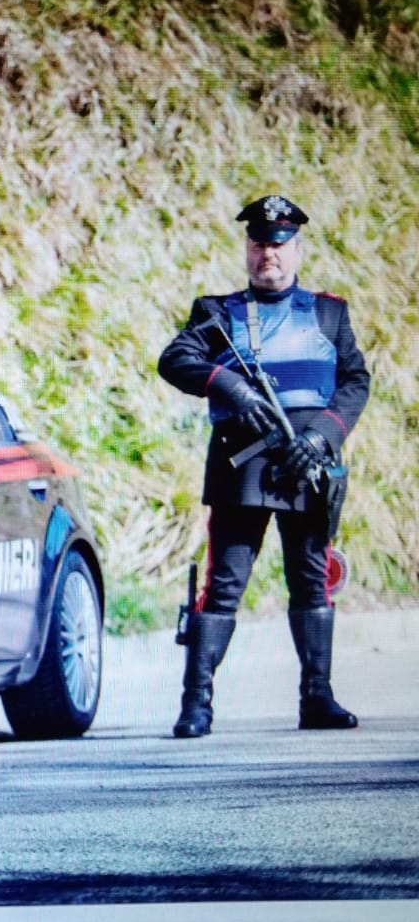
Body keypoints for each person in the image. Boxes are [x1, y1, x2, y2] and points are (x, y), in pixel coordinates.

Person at [157, 194, 369, 739]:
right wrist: (228, 384)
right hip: (241, 464)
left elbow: (353, 383)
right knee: (223, 585)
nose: (267, 254)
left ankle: (317, 698)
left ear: (296, 249)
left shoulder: (328, 312)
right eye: (258, 243)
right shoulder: (217, 313)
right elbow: (175, 358)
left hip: (308, 466)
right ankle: (196, 703)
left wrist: (322, 437)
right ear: (247, 248)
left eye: (277, 245)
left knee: (311, 580)